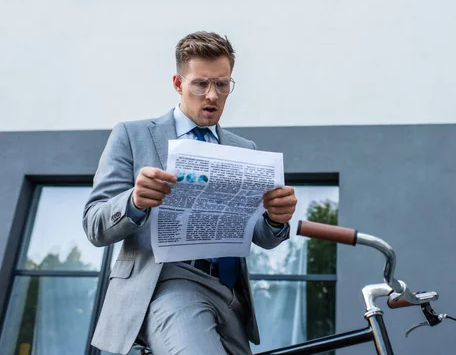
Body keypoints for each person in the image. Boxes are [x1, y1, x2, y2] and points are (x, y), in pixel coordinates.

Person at [83, 31, 297, 355]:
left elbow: (260, 235)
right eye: (201, 84)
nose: (212, 95)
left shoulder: (244, 149)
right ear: (178, 83)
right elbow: (94, 224)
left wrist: (276, 220)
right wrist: (134, 201)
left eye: (222, 85)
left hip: (230, 295)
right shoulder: (132, 134)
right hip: (167, 284)